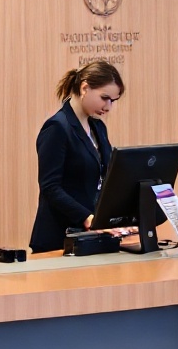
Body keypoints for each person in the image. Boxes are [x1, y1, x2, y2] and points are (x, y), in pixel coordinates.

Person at [30, 60, 121, 251]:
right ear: (85, 88)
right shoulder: (57, 127)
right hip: (58, 238)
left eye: (113, 101)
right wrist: (86, 217)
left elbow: (107, 175)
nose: (108, 107)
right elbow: (50, 187)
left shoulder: (98, 127)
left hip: (90, 236)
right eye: (104, 98)